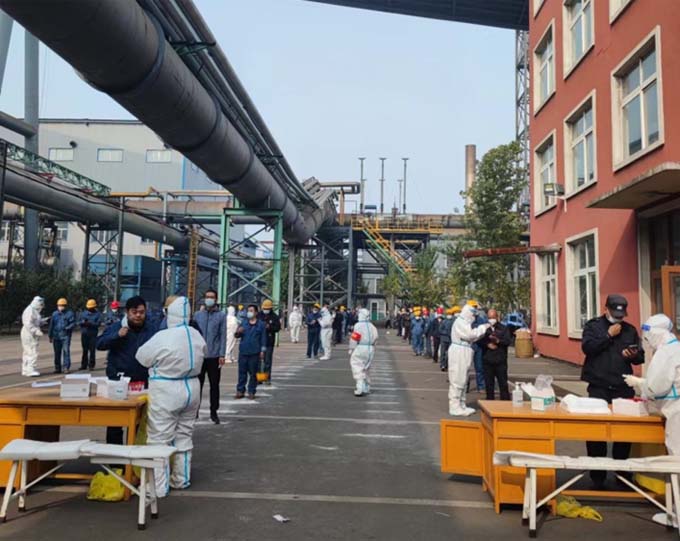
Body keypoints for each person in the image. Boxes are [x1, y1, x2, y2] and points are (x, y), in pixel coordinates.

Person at [136, 296, 206, 498]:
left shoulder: (163, 336)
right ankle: (181, 479)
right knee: (184, 435)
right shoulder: (196, 335)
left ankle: (158, 486)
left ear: (168, 314)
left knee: (159, 439)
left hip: (167, 389)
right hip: (192, 388)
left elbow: (142, 357)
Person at [581, 294, 644, 489]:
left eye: (621, 316)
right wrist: (608, 336)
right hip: (599, 385)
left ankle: (622, 474)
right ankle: (597, 476)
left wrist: (633, 355)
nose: (618, 318)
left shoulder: (630, 330)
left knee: (623, 433)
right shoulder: (593, 326)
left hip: (622, 386)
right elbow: (588, 348)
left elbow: (640, 357)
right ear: (606, 309)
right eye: (615, 314)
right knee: (597, 434)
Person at [623, 314, 680, 527]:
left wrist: (640, 384)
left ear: (654, 334)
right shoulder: (675, 348)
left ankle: (678, 515)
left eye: (647, 337)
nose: (646, 341)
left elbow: (657, 387)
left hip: (676, 412)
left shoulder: (665, 353)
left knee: (676, 461)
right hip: (674, 409)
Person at [97, 296, 158, 444]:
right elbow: (99, 344)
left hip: (143, 384)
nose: (138, 315)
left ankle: (135, 456)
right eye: (134, 312)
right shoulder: (117, 327)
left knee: (139, 424)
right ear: (127, 312)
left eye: (141, 312)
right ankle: (115, 456)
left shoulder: (152, 330)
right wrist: (117, 336)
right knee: (115, 424)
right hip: (119, 383)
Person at [448, 304, 490, 416]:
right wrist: (482, 328)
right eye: (473, 315)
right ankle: (455, 406)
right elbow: (470, 335)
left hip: (465, 350)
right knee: (458, 379)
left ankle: (461, 404)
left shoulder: (465, 323)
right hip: (459, 351)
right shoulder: (460, 322)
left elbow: (473, 338)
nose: (474, 317)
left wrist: (482, 332)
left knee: (463, 379)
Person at [193, 289, 226, 425]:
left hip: (214, 356)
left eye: (212, 297)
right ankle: (194, 412)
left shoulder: (221, 316)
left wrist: (222, 354)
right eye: (207, 297)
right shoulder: (197, 315)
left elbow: (223, 335)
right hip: (200, 356)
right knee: (197, 385)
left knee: (214, 385)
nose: (209, 299)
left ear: (216, 299)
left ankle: (214, 412)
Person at [234, 304, 267, 399]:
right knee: (242, 373)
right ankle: (240, 390)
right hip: (243, 352)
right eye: (248, 310)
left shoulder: (261, 325)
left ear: (256, 313)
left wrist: (262, 351)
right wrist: (238, 332)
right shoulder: (244, 323)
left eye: (251, 311)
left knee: (253, 373)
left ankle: (251, 391)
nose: (249, 312)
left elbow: (263, 338)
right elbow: (236, 335)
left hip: (254, 353)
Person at [479, 309, 511, 400]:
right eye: (489, 318)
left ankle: (505, 402)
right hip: (488, 360)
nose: (491, 320)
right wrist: (487, 344)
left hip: (500, 360)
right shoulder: (484, 329)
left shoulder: (503, 328)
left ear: (497, 317)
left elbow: (507, 341)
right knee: (489, 384)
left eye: (493, 317)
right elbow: (478, 341)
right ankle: (490, 402)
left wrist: (498, 341)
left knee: (503, 383)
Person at [349, 308, 379, 397]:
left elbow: (355, 337)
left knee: (357, 365)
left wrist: (351, 348)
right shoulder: (372, 326)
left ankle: (360, 387)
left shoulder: (358, 325)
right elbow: (376, 337)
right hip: (370, 348)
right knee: (366, 367)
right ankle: (367, 387)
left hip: (361, 347)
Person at [48, 298, 75, 374]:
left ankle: (66, 367)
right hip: (56, 336)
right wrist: (50, 336)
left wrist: (67, 328)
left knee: (66, 352)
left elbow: (73, 323)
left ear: (65, 306)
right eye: (59, 305)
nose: (60, 307)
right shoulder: (54, 314)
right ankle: (57, 368)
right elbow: (51, 325)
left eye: (62, 305)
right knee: (57, 353)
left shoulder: (69, 314)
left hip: (65, 336)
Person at [21, 296, 45, 377]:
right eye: (41, 304)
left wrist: (42, 321)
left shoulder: (33, 310)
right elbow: (28, 323)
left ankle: (25, 369)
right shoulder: (30, 310)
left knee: (27, 352)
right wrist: (36, 331)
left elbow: (35, 321)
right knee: (32, 351)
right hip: (29, 333)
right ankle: (30, 370)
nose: (41, 306)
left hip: (28, 332)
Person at [259, 299, 281, 384]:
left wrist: (270, 327)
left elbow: (277, 328)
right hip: (259, 342)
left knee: (267, 361)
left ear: (271, 308)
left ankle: (267, 378)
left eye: (267, 309)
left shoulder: (274, 317)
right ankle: (260, 378)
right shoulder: (259, 315)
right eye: (264, 308)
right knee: (259, 361)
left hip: (269, 342)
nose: (266, 310)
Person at [469, 300, 487, 392]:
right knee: (465, 368)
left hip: (479, 346)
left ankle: (481, 386)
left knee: (479, 367)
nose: (475, 309)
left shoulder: (481, 319)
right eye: (473, 307)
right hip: (468, 346)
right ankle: (464, 387)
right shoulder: (465, 320)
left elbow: (485, 329)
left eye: (475, 307)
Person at [79, 299, 102, 370]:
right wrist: (83, 323)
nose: (90, 309)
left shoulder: (98, 314)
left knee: (92, 350)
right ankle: (84, 365)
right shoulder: (83, 314)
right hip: (84, 334)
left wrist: (90, 324)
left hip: (93, 334)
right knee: (85, 350)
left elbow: (98, 324)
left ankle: (91, 365)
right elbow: (78, 322)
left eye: (91, 307)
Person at [438, 307, 457, 371]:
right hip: (444, 339)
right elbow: (440, 330)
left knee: (449, 353)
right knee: (443, 352)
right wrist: (446, 332)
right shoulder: (444, 321)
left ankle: (446, 364)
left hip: (451, 339)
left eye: (450, 314)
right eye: (448, 314)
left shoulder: (454, 321)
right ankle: (442, 365)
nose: (449, 315)